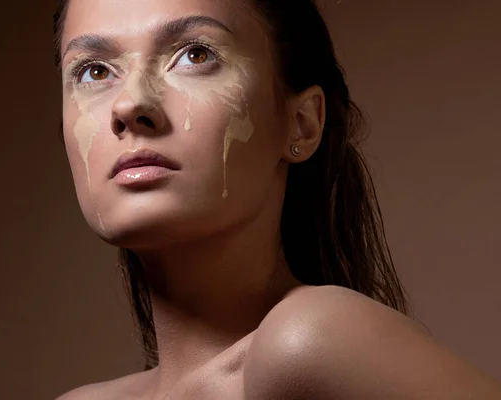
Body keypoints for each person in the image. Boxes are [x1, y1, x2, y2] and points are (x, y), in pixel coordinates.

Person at [52, 0, 501, 398]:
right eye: (94, 70)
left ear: (301, 123)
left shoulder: (309, 341)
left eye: (194, 54)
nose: (129, 104)